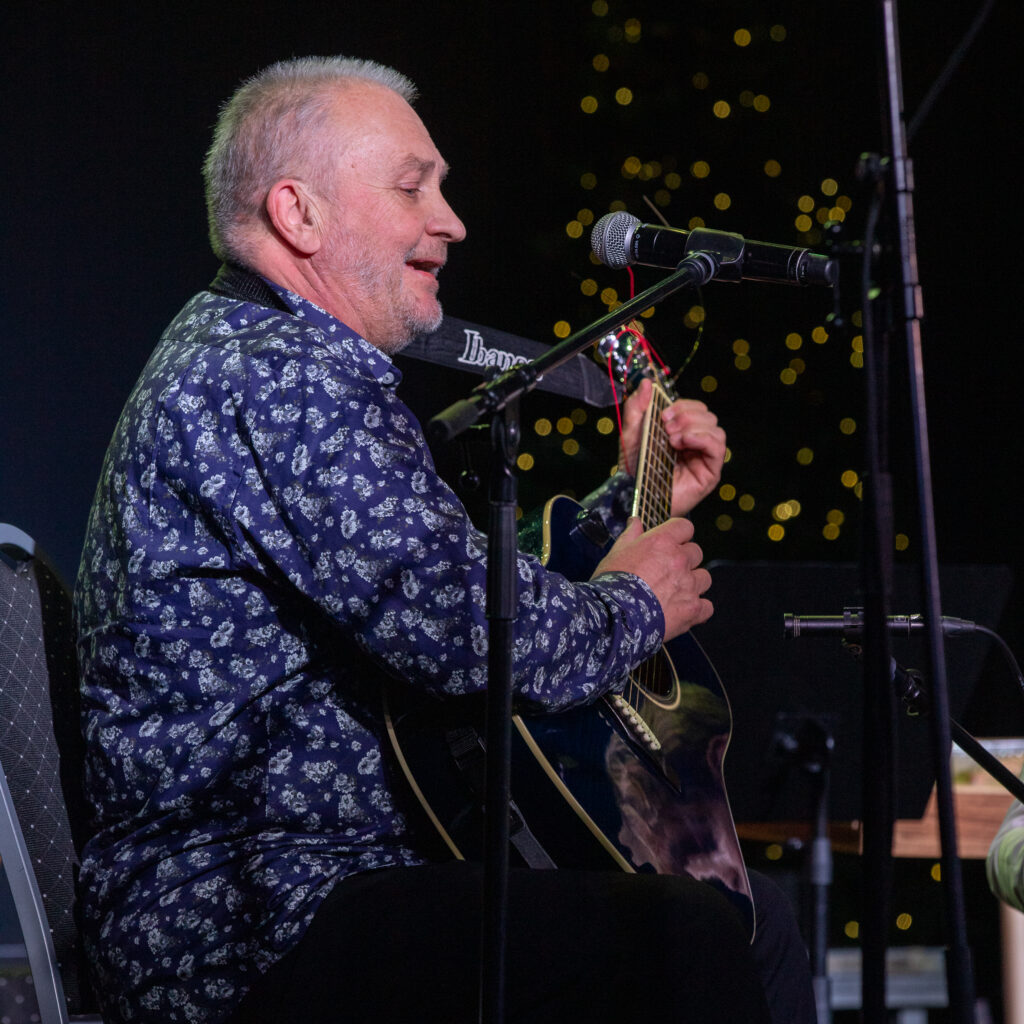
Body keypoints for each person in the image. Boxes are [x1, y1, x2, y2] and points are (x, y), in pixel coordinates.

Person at [73, 56, 814, 1023]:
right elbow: (473, 640)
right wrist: (638, 604)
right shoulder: (280, 378)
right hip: (248, 918)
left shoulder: (271, 358)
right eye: (412, 187)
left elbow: (450, 587)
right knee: (687, 933)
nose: (452, 221)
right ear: (299, 214)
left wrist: (627, 504)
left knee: (754, 918)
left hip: (340, 879)